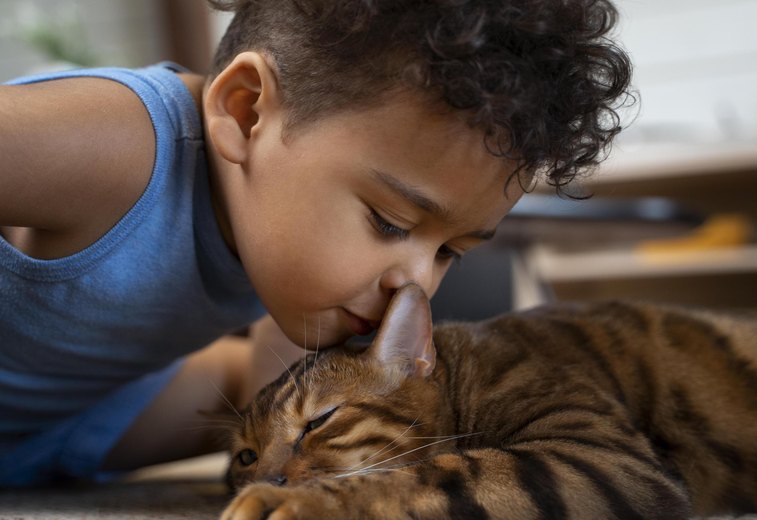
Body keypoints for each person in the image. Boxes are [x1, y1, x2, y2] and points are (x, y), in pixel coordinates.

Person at [0, 0, 632, 486]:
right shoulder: (119, 141)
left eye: (449, 252)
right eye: (389, 221)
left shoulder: (293, 254)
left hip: (74, 420)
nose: (413, 282)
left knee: (265, 416)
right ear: (247, 113)